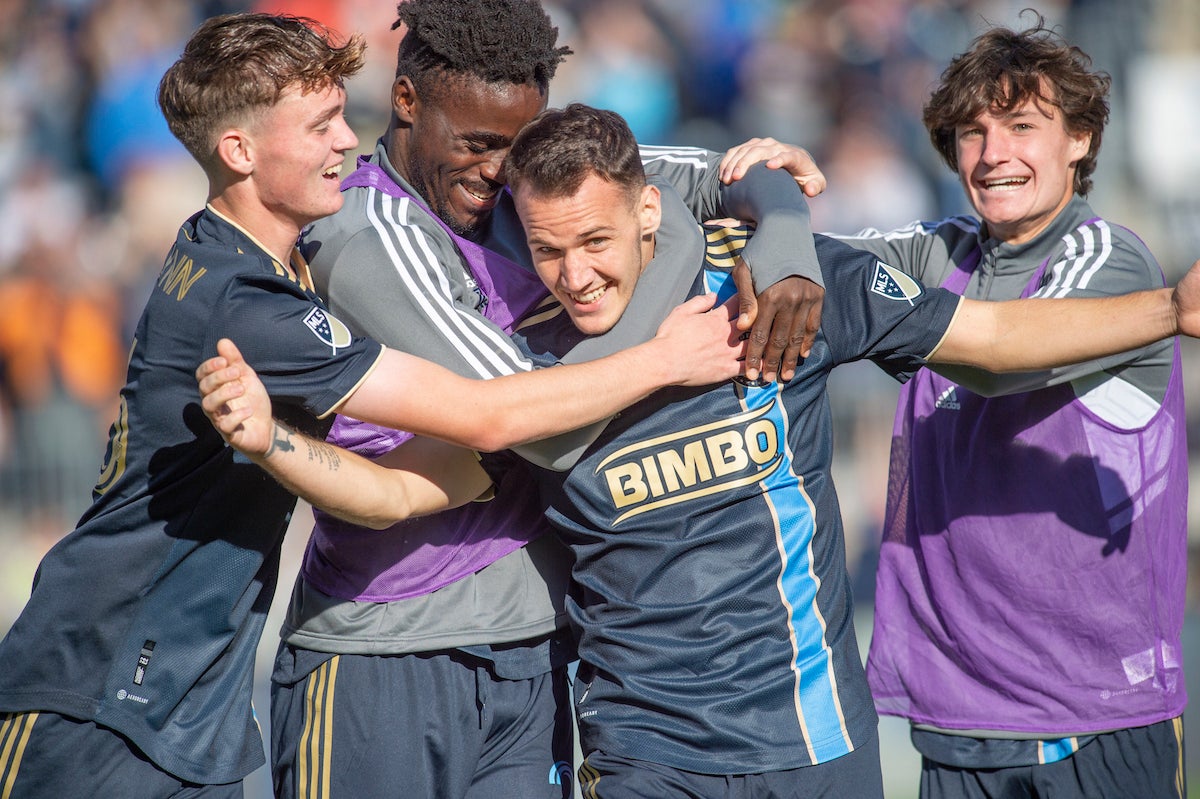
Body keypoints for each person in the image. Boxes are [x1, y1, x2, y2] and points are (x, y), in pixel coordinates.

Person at [197, 103, 1200, 798]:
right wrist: (274, 440)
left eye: (595, 241)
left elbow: (985, 340)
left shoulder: (781, 292)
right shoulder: (531, 375)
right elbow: (402, 492)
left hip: (814, 739)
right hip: (646, 754)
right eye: (548, 250)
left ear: (646, 209)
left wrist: (1165, 309)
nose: (576, 274)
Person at [0, 16, 746, 798]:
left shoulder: (260, 268)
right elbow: (487, 417)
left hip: (192, 700)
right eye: (321, 127)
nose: (346, 144)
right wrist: (665, 358)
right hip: (97, 685)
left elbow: (400, 481)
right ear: (240, 151)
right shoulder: (250, 298)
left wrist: (773, 208)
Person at [277, 1, 826, 796]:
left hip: (534, 648)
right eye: (476, 144)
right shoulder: (365, 232)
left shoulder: (525, 184)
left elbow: (736, 176)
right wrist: (667, 355)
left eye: (514, 144)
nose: (500, 172)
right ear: (406, 102)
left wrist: (785, 249)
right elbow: (517, 416)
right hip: (387, 648)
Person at [721, 15, 1189, 799]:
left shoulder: (1112, 260)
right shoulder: (939, 253)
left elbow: (999, 360)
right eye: (971, 133)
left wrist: (1174, 306)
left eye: (1022, 126)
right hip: (960, 720)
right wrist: (777, 193)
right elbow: (812, 270)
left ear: (1079, 139)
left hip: (1092, 717)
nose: (994, 153)